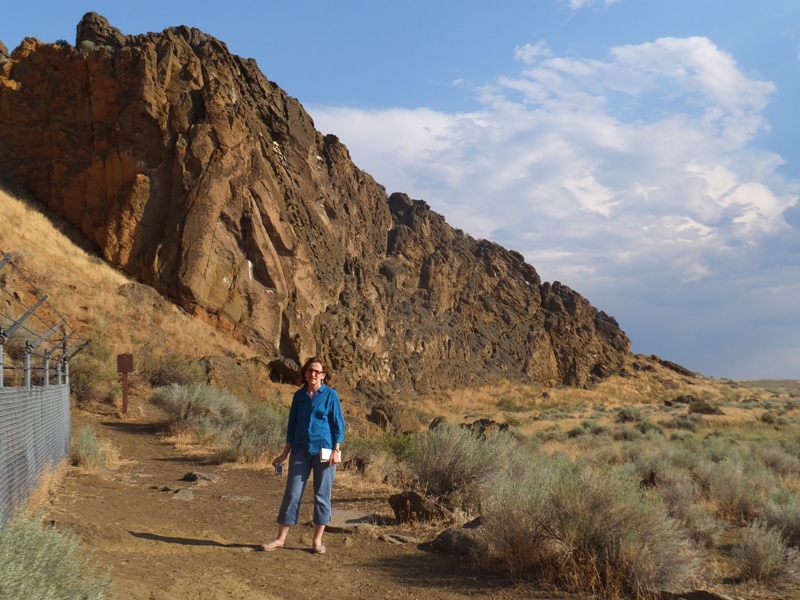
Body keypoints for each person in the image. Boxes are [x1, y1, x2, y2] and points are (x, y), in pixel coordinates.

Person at [261, 356, 345, 554]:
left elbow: (338, 425)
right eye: (310, 370)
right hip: (300, 450)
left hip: (325, 451)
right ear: (305, 374)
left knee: (322, 495)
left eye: (317, 371)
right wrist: (283, 455)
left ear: (323, 375)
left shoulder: (331, 395)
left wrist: (336, 450)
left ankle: (317, 541)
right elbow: (292, 426)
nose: (313, 374)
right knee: (292, 493)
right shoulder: (298, 397)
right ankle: (280, 539)